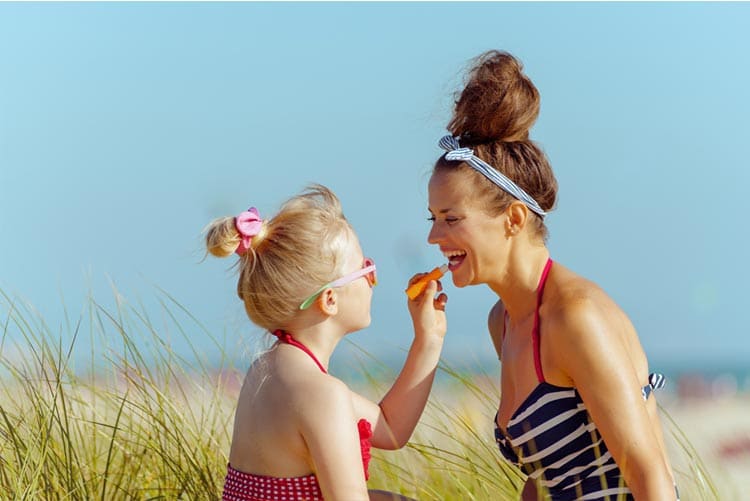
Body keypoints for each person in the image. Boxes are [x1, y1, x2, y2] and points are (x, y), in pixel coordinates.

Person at [424, 51, 678, 500]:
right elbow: (549, 479)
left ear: (514, 218)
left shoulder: (576, 317)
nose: (435, 237)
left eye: (451, 218)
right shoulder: (502, 321)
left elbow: (650, 476)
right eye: (433, 219)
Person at [205, 184, 447, 501]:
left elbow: (389, 427)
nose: (373, 276)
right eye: (365, 268)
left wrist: (428, 339)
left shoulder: (265, 371)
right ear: (330, 299)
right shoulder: (321, 394)